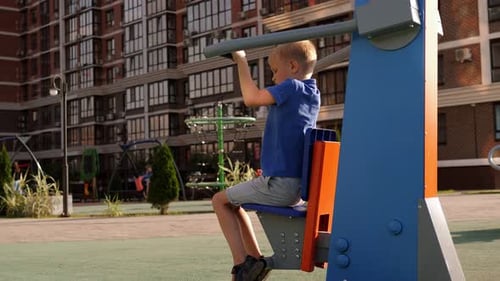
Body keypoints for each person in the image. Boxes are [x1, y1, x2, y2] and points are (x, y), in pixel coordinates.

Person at [212, 40, 320, 281]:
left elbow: (251, 98)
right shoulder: (312, 94)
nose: (272, 78)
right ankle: (254, 261)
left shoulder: (292, 87)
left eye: (273, 70)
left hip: (281, 184)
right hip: (293, 186)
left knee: (219, 200)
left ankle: (242, 265)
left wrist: (241, 60)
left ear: (292, 66)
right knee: (231, 202)